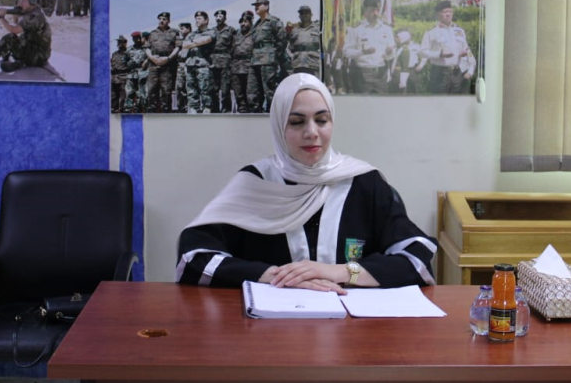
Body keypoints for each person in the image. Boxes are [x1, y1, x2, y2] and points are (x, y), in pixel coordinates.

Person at [176, 73, 437, 290]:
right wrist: (276, 276)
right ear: (279, 126)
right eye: (296, 122)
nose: (311, 132)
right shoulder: (255, 183)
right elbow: (193, 259)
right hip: (268, 326)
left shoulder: (363, 182)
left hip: (352, 327)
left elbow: (417, 259)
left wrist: (343, 272)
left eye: (321, 120)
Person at [343, 0, 394, 94]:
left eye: (377, 10)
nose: (375, 13)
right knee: (363, 102)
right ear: (365, 10)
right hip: (362, 74)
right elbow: (346, 52)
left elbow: (392, 51)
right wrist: (362, 52)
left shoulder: (386, 29)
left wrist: (389, 53)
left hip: (381, 73)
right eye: (372, 10)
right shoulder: (356, 29)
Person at [420, 0, 474, 94]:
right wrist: (439, 54)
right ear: (438, 15)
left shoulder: (459, 30)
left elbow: (467, 49)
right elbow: (422, 51)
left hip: (457, 72)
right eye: (444, 12)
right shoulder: (431, 32)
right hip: (440, 73)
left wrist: (465, 55)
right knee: (439, 99)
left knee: (456, 99)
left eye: (450, 11)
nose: (448, 14)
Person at [287, 4, 321, 77]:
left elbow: (324, 47)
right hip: (298, 64)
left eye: (306, 13)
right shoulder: (295, 30)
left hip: (313, 63)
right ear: (299, 16)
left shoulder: (318, 29)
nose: (304, 15)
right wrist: (292, 56)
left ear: (311, 15)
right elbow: (289, 47)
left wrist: (321, 58)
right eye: (302, 13)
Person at [110, 35, 130, 113]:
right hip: (114, 78)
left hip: (123, 77)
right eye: (118, 42)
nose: (119, 43)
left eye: (121, 42)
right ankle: (114, 109)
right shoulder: (114, 54)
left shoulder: (128, 53)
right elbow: (112, 64)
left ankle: (122, 110)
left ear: (125, 43)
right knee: (113, 96)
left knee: (123, 97)